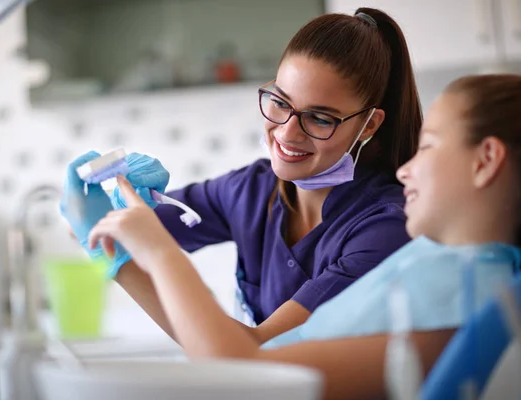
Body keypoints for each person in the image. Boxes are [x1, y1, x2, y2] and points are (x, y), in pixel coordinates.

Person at [87, 73, 521, 400]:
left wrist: (158, 253)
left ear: (485, 160)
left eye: (428, 146)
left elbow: (246, 371)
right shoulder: (447, 273)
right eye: (279, 103)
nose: (405, 168)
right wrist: (113, 243)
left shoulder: (460, 296)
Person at [60, 7, 422, 343]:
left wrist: (120, 262)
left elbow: (260, 348)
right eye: (280, 102)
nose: (287, 133)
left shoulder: (385, 229)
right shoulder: (252, 190)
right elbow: (99, 232)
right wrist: (105, 207)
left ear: (369, 125)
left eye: (320, 118)